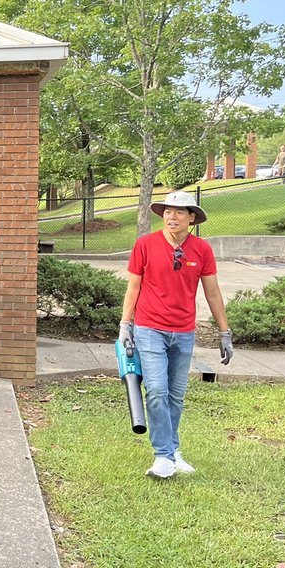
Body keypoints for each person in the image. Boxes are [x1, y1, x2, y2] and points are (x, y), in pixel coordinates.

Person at [118, 191, 233, 479]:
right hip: (149, 329)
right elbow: (134, 286)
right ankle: (163, 456)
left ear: (191, 218)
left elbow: (212, 291)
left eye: (180, 212)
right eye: (168, 211)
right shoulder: (145, 245)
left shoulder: (201, 250)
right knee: (157, 390)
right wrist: (125, 324)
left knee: (175, 395)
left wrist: (224, 331)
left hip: (183, 332)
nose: (172, 216)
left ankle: (172, 450)